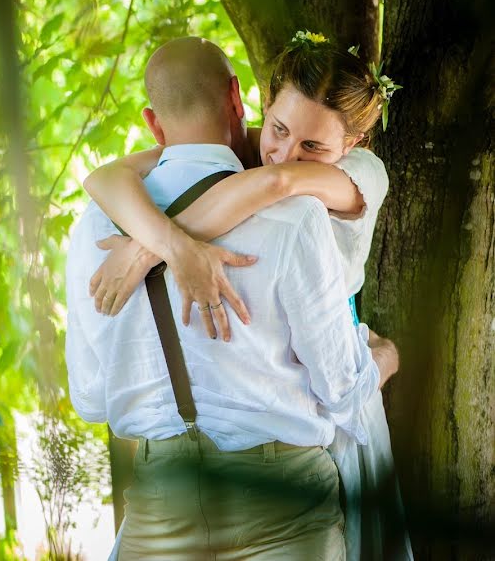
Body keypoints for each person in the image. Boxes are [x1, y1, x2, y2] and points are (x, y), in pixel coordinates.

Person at [65, 36, 397, 560]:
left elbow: (90, 400)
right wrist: (386, 357)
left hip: (157, 503)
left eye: (314, 146)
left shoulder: (92, 231)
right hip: (285, 499)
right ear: (243, 102)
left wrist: (147, 249)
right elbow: (341, 390)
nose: (285, 152)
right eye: (280, 130)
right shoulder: (294, 217)